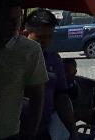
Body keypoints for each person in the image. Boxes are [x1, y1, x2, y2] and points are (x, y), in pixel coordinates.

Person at [19, 8, 77, 139]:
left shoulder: (54, 60)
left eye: (49, 36)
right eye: (40, 37)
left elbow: (61, 97)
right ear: (25, 34)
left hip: (42, 131)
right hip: (14, 131)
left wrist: (72, 130)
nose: (45, 42)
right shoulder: (14, 59)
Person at [0, 2, 47, 140]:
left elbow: (37, 96)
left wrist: (31, 132)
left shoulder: (29, 50)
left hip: (7, 133)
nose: (13, 25)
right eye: (7, 20)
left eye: (17, 20)